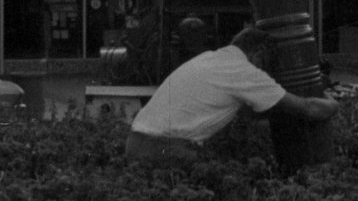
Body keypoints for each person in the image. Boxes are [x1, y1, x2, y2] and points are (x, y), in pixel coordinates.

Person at [124, 26, 337, 167]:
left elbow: (249, 114)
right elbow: (310, 109)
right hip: (164, 149)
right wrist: (331, 100)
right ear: (258, 54)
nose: (266, 73)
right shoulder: (244, 71)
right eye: (268, 66)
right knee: (221, 187)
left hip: (135, 142)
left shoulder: (210, 58)